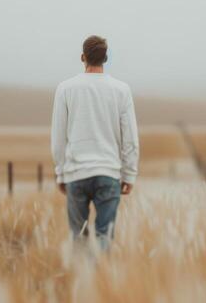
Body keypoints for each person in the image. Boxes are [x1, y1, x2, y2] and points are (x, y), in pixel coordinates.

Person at [51, 35, 140, 250]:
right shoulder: (121, 90)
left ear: (83, 57)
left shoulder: (65, 88)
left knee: (79, 238)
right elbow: (130, 138)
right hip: (109, 173)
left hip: (76, 173)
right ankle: (101, 280)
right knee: (104, 237)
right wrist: (129, 174)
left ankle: (83, 281)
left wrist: (61, 173)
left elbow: (58, 137)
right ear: (105, 58)